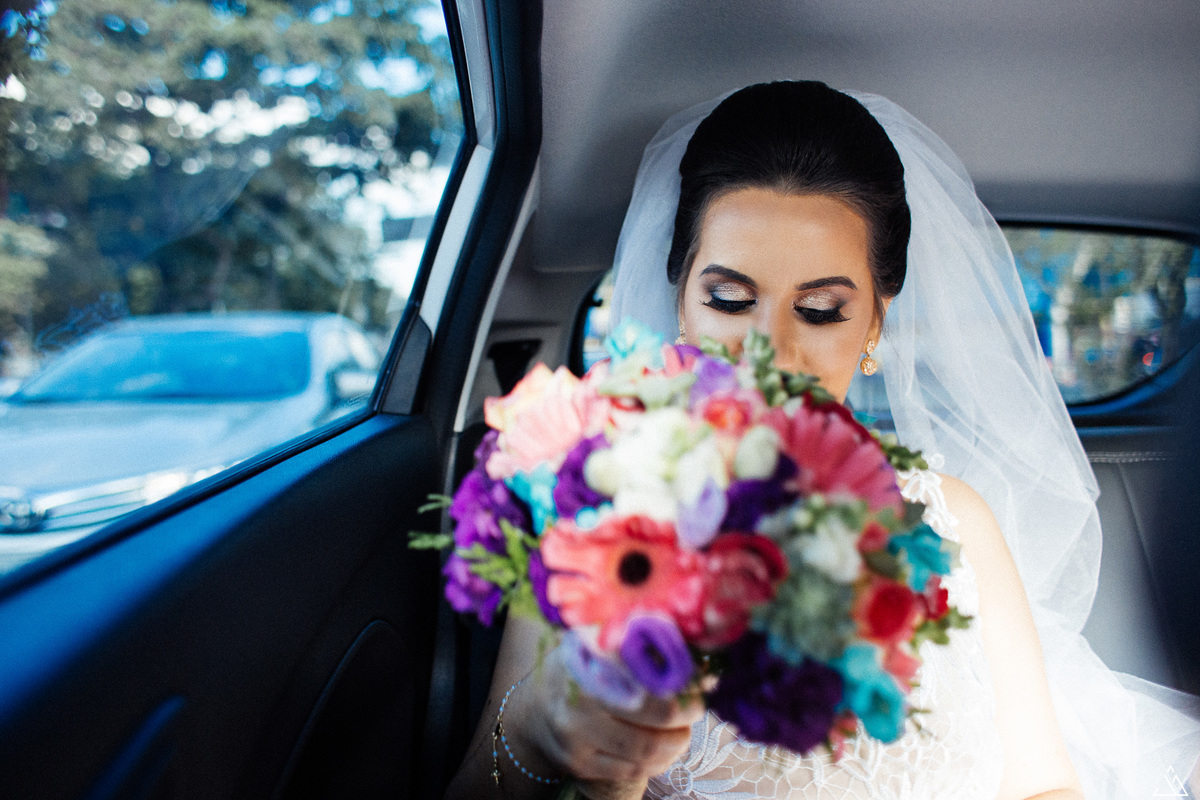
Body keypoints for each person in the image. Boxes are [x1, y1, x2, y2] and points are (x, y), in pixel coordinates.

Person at [445, 81, 1200, 799]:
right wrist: (543, 729)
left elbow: (1045, 782)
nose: (768, 351)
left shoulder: (954, 520)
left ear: (874, 324)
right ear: (682, 300)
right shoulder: (598, 513)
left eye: (821, 312)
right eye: (731, 300)